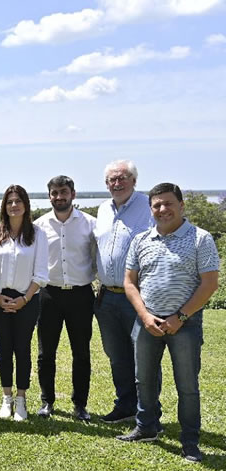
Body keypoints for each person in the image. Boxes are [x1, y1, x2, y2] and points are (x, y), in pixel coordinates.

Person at [118, 183, 219, 463]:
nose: (162, 209)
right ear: (151, 209)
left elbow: (210, 284)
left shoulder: (200, 238)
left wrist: (180, 317)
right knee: (144, 380)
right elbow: (129, 282)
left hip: (185, 324)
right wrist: (144, 316)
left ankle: (190, 442)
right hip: (147, 322)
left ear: (181, 206)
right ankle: (146, 427)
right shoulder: (141, 240)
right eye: (157, 205)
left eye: (168, 203)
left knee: (187, 385)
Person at [94, 160, 156, 424]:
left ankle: (149, 413)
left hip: (137, 296)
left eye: (122, 178)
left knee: (144, 357)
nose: (117, 183)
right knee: (117, 356)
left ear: (134, 180)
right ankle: (126, 405)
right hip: (106, 296)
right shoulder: (103, 210)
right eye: (112, 179)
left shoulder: (148, 206)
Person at [33, 176, 97, 421]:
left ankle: (80, 405)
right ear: (49, 196)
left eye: (63, 192)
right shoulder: (39, 226)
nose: (59, 197)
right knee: (45, 353)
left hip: (81, 295)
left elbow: (97, 257)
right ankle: (47, 401)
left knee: (81, 353)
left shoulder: (90, 224)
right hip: (49, 294)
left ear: (73, 194)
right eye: (54, 193)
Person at [0, 185, 48, 421]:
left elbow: (41, 273)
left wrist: (24, 299)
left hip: (27, 299)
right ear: (4, 206)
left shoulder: (37, 234)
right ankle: (6, 399)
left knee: (22, 349)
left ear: (26, 204)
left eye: (18, 201)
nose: (14, 205)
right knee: (4, 350)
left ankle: (21, 399)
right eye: (9, 201)